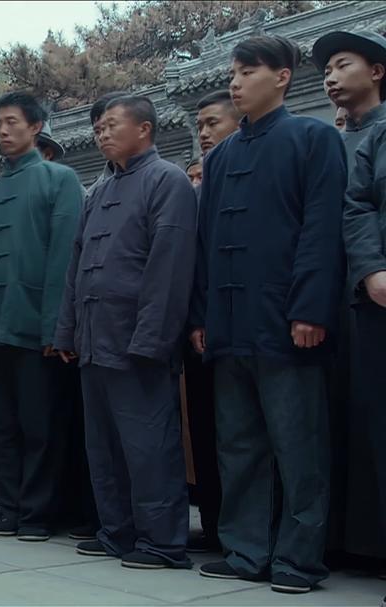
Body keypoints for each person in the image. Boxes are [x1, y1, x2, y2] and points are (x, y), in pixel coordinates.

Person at [190, 36, 347, 594]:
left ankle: (299, 560)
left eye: (248, 71)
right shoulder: (221, 157)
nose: (236, 83)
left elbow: (322, 231)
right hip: (228, 326)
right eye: (233, 73)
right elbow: (204, 244)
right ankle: (246, 551)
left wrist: (310, 309)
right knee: (238, 445)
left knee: (299, 446)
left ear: (282, 77)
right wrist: (201, 316)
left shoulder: (313, 138)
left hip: (288, 322)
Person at [55, 95, 197, 570]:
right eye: (98, 127)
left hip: (137, 341)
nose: (101, 133)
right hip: (94, 340)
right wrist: (67, 332)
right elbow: (76, 266)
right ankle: (117, 532)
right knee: (104, 447)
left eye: (112, 124)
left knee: (149, 445)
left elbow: (169, 267)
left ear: (145, 128)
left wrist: (152, 339)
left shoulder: (167, 180)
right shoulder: (97, 190)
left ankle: (162, 541)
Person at [0, 91, 84, 541]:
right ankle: (9, 508)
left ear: (35, 127)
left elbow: (64, 258)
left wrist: (56, 328)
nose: (3, 131)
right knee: (3, 425)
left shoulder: (59, 179)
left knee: (40, 425)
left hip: (36, 327)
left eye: (11, 122)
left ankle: (38, 514)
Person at [314, 29, 386, 564]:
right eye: (326, 71)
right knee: (340, 415)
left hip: (368, 292)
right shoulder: (327, 145)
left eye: (343, 65)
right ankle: (345, 539)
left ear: (377, 71)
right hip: (337, 298)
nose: (331, 78)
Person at [183, 89, 242, 556]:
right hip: (202, 328)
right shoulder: (195, 195)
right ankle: (215, 523)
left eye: (213, 123)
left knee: (243, 436)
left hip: (248, 325)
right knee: (206, 430)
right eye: (199, 126)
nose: (203, 134)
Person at [85, 91, 129, 199]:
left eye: (112, 126)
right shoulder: (92, 196)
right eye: (97, 131)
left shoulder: (162, 179)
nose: (102, 136)